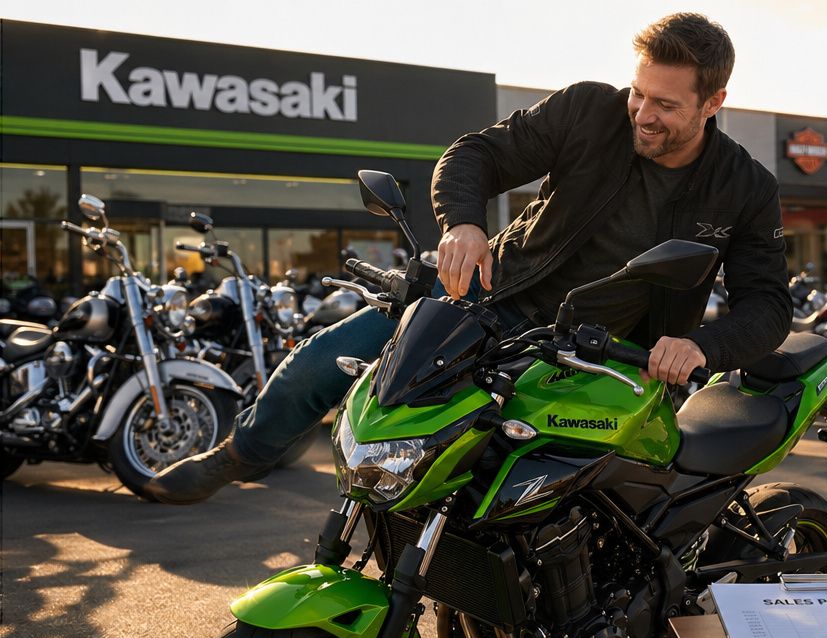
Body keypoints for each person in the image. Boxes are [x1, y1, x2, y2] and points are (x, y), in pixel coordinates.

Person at [145, 12, 791, 503]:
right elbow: (475, 154)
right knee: (322, 361)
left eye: (666, 105)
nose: (642, 114)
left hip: (602, 358)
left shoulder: (745, 187)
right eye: (639, 93)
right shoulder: (590, 110)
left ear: (713, 103)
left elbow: (767, 305)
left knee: (527, 500)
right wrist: (463, 225)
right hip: (487, 298)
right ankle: (238, 455)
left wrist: (701, 346)